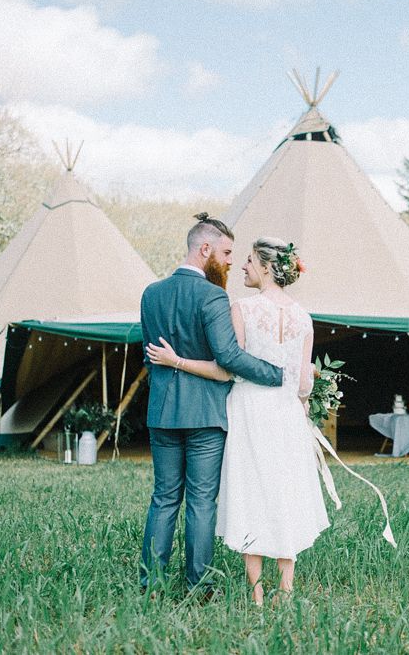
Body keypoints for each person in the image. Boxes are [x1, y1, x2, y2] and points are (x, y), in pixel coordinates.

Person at [146, 237, 330, 605]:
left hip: (239, 410)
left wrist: (176, 361)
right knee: (282, 492)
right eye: (233, 256)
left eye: (246, 260)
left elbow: (230, 365)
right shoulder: (303, 316)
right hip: (285, 413)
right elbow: (302, 382)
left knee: (246, 492)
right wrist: (294, 384)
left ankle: (252, 590)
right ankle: (279, 590)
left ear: (265, 266)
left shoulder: (235, 307)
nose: (239, 265)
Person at [139, 215, 283, 599]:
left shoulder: (150, 293)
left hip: (162, 413)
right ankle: (198, 586)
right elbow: (229, 356)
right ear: (205, 250)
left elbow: (149, 355)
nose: (230, 261)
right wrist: (275, 373)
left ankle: (150, 585)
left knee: (164, 497)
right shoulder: (212, 296)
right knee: (201, 501)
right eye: (225, 252)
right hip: (204, 416)